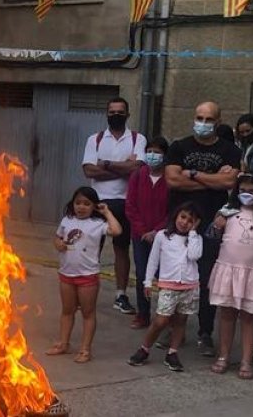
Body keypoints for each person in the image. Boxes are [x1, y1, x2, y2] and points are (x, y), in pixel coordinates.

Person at [164, 101, 241, 356]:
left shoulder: (229, 150)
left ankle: (205, 332)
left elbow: (229, 182)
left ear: (218, 122)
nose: (203, 123)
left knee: (207, 280)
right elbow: (173, 179)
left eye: (209, 119)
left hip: (212, 225)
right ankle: (174, 329)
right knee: (175, 278)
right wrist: (212, 181)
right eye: (199, 117)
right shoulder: (179, 146)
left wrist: (193, 174)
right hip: (180, 223)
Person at [207, 173, 253, 380]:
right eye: (243, 190)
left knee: (249, 317)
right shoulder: (227, 211)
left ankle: (247, 360)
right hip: (228, 269)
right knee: (227, 314)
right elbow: (211, 234)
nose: (247, 194)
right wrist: (216, 224)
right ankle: (223, 356)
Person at [80, 97, 145, 316]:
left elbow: (136, 169)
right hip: (98, 202)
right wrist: (123, 167)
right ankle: (84, 291)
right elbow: (89, 170)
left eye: (120, 112)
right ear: (106, 114)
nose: (115, 115)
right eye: (112, 111)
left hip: (126, 201)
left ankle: (120, 295)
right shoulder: (95, 139)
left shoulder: (137, 139)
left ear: (127, 114)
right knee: (91, 247)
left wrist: (105, 164)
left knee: (121, 249)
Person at [47, 186, 122, 364]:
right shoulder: (67, 220)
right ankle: (63, 343)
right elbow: (57, 237)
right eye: (78, 203)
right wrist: (58, 243)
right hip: (66, 273)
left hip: (87, 275)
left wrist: (107, 212)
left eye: (87, 204)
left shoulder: (98, 224)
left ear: (94, 206)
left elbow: (117, 231)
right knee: (67, 311)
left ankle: (85, 349)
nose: (81, 207)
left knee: (88, 313)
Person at [128, 202, 203, 372]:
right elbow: (153, 260)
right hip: (168, 286)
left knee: (181, 319)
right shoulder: (162, 236)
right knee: (161, 320)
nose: (184, 222)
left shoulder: (196, 239)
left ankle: (172, 352)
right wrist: (148, 282)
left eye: (190, 221)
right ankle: (144, 348)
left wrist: (192, 233)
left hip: (189, 286)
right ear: (176, 216)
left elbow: (194, 255)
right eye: (182, 217)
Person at [125, 136, 171, 328]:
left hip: (164, 237)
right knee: (143, 273)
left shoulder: (170, 178)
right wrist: (143, 231)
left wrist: (157, 231)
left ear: (165, 155)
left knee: (165, 277)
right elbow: (130, 205)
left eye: (157, 152)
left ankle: (166, 317)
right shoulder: (138, 175)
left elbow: (173, 210)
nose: (153, 156)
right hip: (140, 235)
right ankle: (143, 314)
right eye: (149, 151)